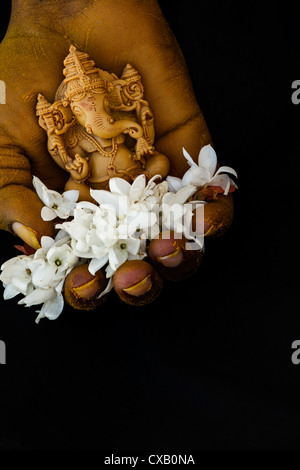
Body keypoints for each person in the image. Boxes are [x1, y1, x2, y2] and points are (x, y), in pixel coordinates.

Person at [0, 0, 234, 306]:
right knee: (74, 188)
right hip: (98, 187)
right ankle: (97, 232)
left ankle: (155, 213)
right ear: (71, 114)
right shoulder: (80, 136)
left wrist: (141, 141)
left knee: (162, 161)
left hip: (137, 175)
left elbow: (139, 129)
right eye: (84, 112)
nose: (94, 116)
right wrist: (74, 165)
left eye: (99, 104)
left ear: (109, 97)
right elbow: (69, 159)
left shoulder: (119, 119)